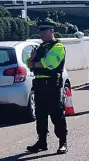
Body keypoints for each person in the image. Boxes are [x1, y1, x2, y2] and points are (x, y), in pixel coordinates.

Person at [26, 21, 68, 154]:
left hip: (52, 85)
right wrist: (33, 62)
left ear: (51, 31)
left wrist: (34, 62)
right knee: (40, 116)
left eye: (44, 32)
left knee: (57, 115)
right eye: (40, 32)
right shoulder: (40, 47)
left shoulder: (58, 46)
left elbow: (49, 63)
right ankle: (42, 142)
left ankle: (63, 142)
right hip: (39, 86)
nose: (42, 34)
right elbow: (29, 63)